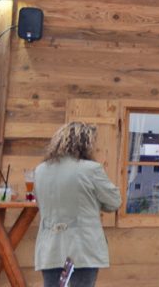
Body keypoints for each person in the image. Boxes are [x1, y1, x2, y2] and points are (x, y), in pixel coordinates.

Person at [34, 122, 121, 287]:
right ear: (85, 143)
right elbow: (114, 202)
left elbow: (41, 202)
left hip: (49, 249)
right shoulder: (91, 169)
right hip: (82, 248)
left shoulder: (40, 170)